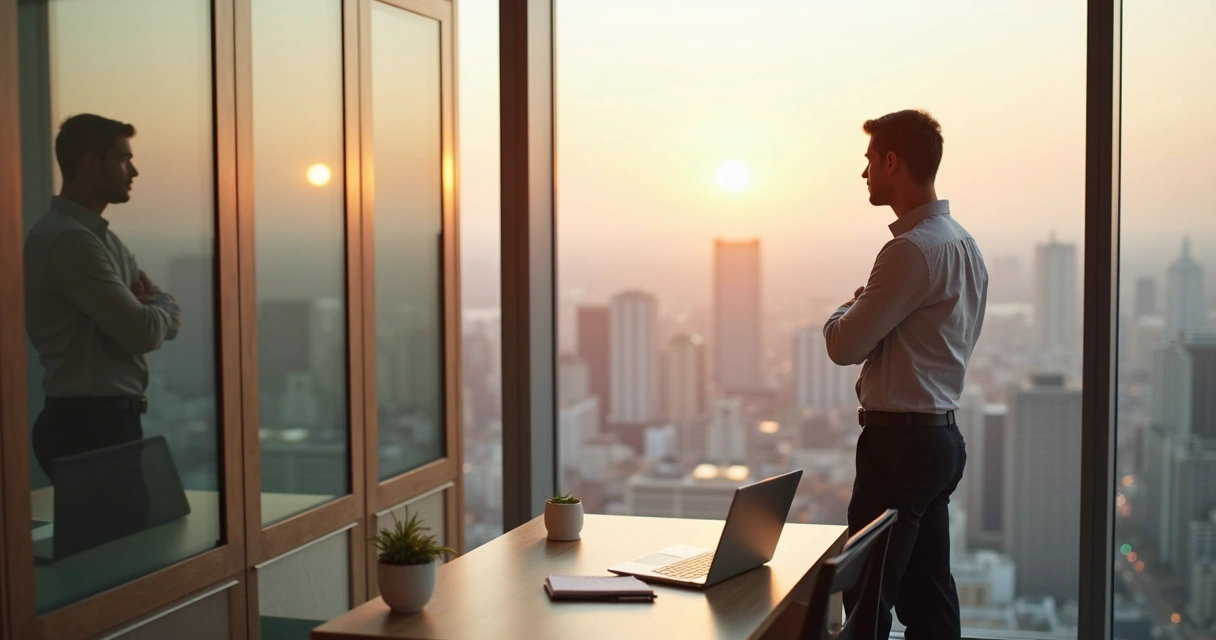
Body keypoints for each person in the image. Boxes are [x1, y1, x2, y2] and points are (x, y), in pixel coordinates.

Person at [823, 109, 988, 640]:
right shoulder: (965, 245)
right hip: (940, 440)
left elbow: (844, 345)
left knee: (867, 601)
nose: (864, 173)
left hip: (899, 446)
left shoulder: (909, 251)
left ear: (892, 162)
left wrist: (844, 309)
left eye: (870, 160)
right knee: (929, 598)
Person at [24, 113, 180, 524]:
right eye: (123, 159)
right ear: (91, 162)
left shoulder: (104, 240)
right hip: (86, 428)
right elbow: (145, 331)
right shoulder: (69, 241)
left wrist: (150, 312)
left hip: (105, 424)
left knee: (122, 548)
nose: (134, 170)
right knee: (118, 559)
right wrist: (159, 304)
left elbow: (150, 326)